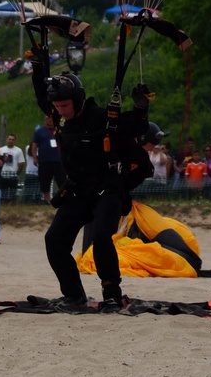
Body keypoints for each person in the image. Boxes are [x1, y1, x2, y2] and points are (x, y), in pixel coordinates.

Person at [34, 60, 154, 312]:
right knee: (54, 240)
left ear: (77, 100)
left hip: (106, 190)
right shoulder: (60, 118)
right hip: (78, 191)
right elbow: (41, 96)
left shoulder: (102, 118)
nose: (60, 110)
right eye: (56, 106)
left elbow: (135, 125)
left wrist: (141, 107)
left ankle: (112, 294)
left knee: (100, 237)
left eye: (64, 105)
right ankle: (74, 295)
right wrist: (38, 63)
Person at [31, 114, 64, 203]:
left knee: (61, 180)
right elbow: (34, 145)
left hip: (58, 160)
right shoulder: (39, 131)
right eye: (48, 118)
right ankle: (46, 199)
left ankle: (62, 199)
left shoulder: (59, 130)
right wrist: (35, 157)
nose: (49, 120)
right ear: (45, 120)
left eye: (51, 118)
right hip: (44, 160)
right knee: (45, 180)